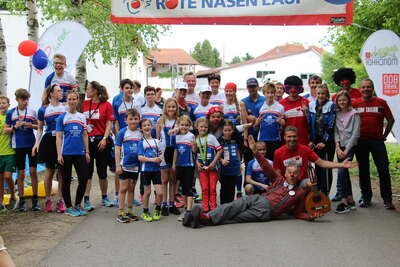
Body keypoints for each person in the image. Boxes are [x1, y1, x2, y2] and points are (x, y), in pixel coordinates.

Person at [184, 135, 357, 228]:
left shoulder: (299, 192)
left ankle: (202, 220)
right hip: (259, 199)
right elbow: (266, 166)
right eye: (289, 172)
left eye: (294, 173)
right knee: (234, 205)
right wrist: (255, 152)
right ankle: (204, 216)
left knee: (235, 217)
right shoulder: (279, 178)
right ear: (286, 172)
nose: (291, 175)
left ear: (298, 176)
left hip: (265, 212)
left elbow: (298, 212)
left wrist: (310, 216)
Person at [353, 79, 395, 210]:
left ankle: (387, 200)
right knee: (363, 170)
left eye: (369, 87)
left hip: (377, 141)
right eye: (363, 87)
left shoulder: (381, 102)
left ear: (372, 88)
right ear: (360, 89)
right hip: (361, 142)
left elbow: (390, 119)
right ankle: (366, 198)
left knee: (383, 170)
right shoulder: (355, 103)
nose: (366, 89)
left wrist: (384, 135)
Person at [274, 126, 356, 188]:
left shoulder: (304, 150)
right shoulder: (278, 152)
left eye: (294, 136)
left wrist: (342, 165)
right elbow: (277, 174)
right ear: (284, 137)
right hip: (286, 183)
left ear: (298, 137)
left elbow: (322, 163)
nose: (292, 139)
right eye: (289, 136)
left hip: (303, 182)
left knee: (311, 183)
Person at [33, 85, 67, 212]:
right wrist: (36, 143)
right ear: (51, 94)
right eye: (58, 91)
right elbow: (40, 128)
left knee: (61, 173)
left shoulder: (65, 107)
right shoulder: (43, 110)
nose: (61, 92)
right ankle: (48, 200)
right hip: (48, 141)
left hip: (62, 141)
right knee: (49, 171)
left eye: (61, 91)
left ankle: (61, 200)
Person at [81, 81, 115, 210]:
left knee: (102, 172)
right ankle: (87, 199)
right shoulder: (84, 104)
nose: (87, 91)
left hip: (101, 141)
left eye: (88, 89)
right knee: (87, 172)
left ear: (95, 91)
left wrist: (105, 138)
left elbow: (108, 124)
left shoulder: (106, 105)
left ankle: (105, 197)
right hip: (87, 141)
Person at [56, 91, 90, 216]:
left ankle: (77, 204)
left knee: (84, 178)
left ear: (77, 101)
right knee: (66, 180)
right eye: (69, 99)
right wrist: (59, 154)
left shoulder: (82, 117)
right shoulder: (62, 117)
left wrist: (87, 151)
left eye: (74, 99)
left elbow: (85, 135)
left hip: (80, 152)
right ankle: (69, 207)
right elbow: (58, 137)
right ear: (66, 101)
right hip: (66, 153)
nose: (72, 101)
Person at [4, 89, 39, 212]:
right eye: (23, 99)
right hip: (18, 146)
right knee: (21, 174)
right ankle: (22, 201)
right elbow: (5, 130)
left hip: (31, 144)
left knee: (33, 172)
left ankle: (35, 201)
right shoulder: (11, 113)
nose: (25, 102)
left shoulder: (32, 112)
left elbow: (40, 126)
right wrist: (15, 127)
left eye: (27, 99)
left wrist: (31, 125)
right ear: (17, 99)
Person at [334, 91, 360, 213]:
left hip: (350, 147)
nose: (342, 102)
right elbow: (336, 132)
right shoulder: (337, 114)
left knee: (341, 171)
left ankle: (344, 200)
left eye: (344, 100)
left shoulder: (355, 114)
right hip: (341, 147)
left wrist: (347, 150)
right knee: (344, 172)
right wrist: (338, 147)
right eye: (339, 101)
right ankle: (350, 199)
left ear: (348, 100)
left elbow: (355, 134)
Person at [308, 84, 336, 196]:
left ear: (327, 94)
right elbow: (309, 124)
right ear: (315, 94)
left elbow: (331, 125)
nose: (320, 95)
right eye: (319, 93)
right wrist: (311, 140)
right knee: (318, 167)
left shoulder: (331, 105)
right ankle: (319, 190)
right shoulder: (311, 105)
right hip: (315, 141)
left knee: (326, 167)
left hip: (327, 142)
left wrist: (324, 142)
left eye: (323, 93)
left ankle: (326, 192)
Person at [114, 109, 141, 223]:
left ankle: (129, 210)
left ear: (139, 120)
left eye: (135, 119)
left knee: (131, 188)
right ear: (126, 120)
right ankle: (121, 211)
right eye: (131, 119)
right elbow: (117, 149)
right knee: (123, 188)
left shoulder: (141, 132)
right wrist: (117, 165)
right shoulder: (122, 132)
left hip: (136, 166)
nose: (133, 121)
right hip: (124, 165)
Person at [157, 98, 181, 216]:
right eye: (169, 107)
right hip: (163, 151)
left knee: (173, 179)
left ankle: (172, 204)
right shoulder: (161, 120)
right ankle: (164, 204)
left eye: (173, 107)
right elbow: (157, 139)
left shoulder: (179, 120)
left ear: (176, 108)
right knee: (164, 179)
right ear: (165, 108)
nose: (171, 109)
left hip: (175, 152)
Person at [195, 117, 222, 213]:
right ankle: (205, 207)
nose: (203, 129)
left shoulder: (211, 137)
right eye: (201, 127)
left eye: (205, 127)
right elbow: (193, 154)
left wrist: (214, 162)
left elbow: (220, 150)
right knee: (205, 188)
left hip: (212, 168)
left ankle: (213, 206)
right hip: (202, 169)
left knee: (213, 187)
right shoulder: (196, 140)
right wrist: (197, 163)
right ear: (197, 127)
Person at [138, 118, 163, 222]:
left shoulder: (157, 141)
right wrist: (153, 160)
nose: (147, 127)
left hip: (156, 170)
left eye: (148, 125)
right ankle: (145, 211)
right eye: (144, 126)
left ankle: (158, 209)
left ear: (151, 127)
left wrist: (159, 159)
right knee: (147, 192)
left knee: (160, 193)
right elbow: (140, 157)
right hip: (146, 171)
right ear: (141, 129)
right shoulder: (141, 142)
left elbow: (161, 154)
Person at [172, 115, 195, 223]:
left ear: (189, 126)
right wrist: (173, 164)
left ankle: (189, 210)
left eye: (186, 125)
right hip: (179, 165)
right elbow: (176, 151)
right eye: (182, 125)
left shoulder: (191, 136)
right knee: (183, 188)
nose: (184, 127)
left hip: (189, 165)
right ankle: (185, 208)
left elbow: (195, 151)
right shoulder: (176, 136)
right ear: (178, 125)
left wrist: (194, 145)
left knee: (188, 187)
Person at [254, 82, 285, 160]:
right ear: (264, 93)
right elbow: (255, 127)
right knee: (263, 163)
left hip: (275, 139)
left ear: (275, 93)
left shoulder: (280, 107)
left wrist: (281, 122)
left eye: (272, 93)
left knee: (274, 162)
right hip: (262, 139)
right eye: (268, 93)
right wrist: (256, 124)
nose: (270, 95)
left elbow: (283, 125)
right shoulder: (259, 106)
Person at [240, 78, 265, 169]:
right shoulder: (243, 101)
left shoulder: (264, 99)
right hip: (250, 135)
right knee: (249, 163)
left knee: (263, 163)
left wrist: (251, 118)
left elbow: (264, 116)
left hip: (262, 135)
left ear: (257, 87)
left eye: (254, 87)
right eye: (250, 87)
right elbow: (244, 119)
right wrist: (245, 138)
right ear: (247, 88)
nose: (252, 89)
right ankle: (247, 182)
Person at [279, 75, 309, 146]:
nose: (293, 90)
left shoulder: (306, 102)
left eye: (296, 87)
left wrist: (306, 113)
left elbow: (311, 123)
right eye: (290, 87)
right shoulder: (281, 104)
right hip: (286, 143)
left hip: (303, 142)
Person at [218, 120, 242, 204]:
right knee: (224, 188)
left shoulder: (235, 140)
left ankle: (230, 207)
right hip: (224, 169)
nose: (227, 132)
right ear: (222, 130)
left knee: (232, 188)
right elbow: (216, 154)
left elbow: (238, 152)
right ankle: (223, 206)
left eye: (229, 130)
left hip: (234, 168)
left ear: (232, 130)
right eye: (225, 130)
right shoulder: (219, 141)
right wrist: (221, 160)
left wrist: (239, 164)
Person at [0, 96, 16, 211]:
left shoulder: (11, 116)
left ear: (8, 105)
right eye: (0, 103)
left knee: (7, 176)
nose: (1, 105)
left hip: (10, 151)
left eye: (4, 103)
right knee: (0, 178)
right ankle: (0, 202)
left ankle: (13, 197)